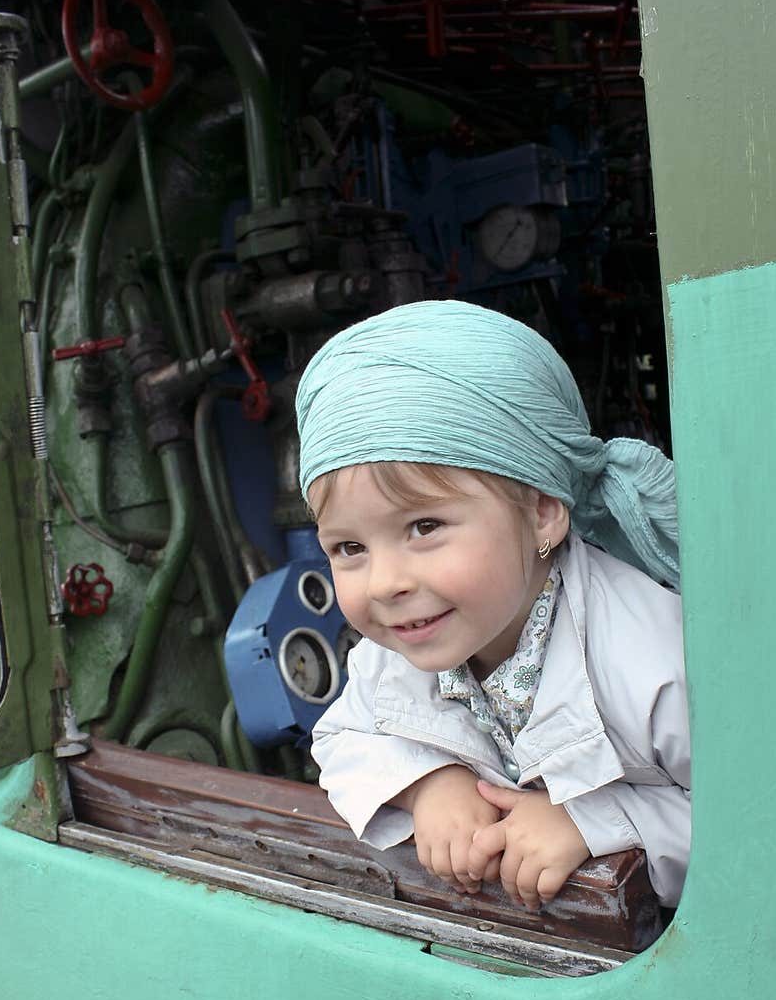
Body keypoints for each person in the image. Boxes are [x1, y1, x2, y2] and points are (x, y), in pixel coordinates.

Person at [295, 300, 690, 912]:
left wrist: (603, 822)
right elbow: (343, 734)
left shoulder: (657, 664)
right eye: (350, 547)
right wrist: (428, 785)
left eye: (424, 526)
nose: (384, 583)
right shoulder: (399, 651)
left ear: (541, 511)